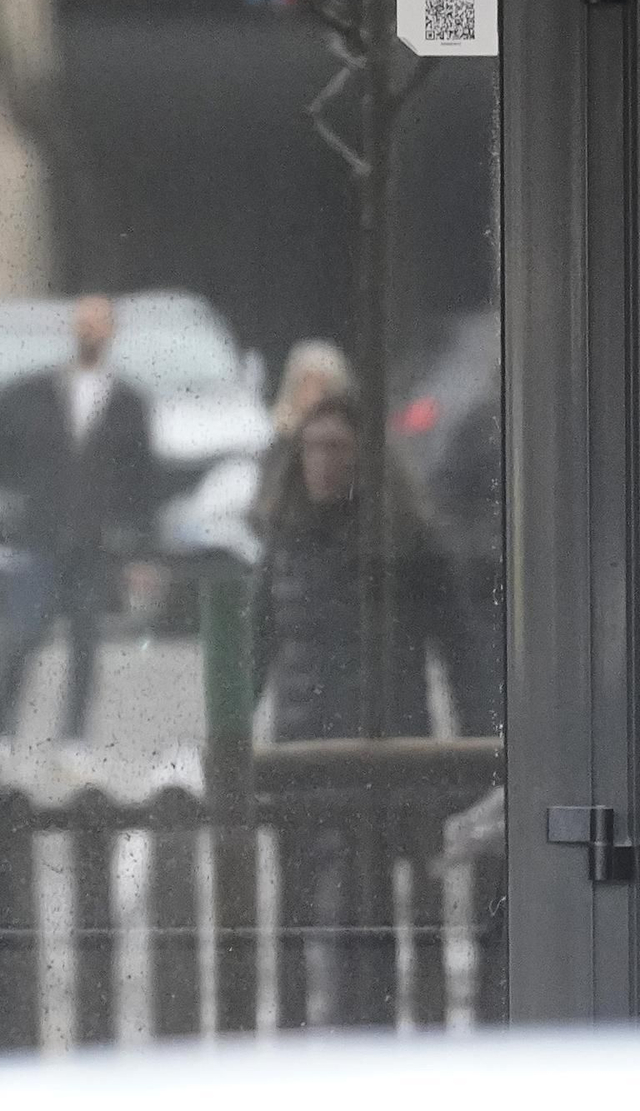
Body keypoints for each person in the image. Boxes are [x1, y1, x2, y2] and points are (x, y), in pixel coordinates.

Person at [248, 393, 482, 1027]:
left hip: (387, 758)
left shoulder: (407, 543)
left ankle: (371, 1045)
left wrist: (476, 755)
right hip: (301, 760)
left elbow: (460, 652)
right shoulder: (285, 539)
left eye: (337, 449)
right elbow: (255, 649)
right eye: (313, 448)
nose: (322, 463)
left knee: (377, 915)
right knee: (312, 922)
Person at [0, 294, 154, 739]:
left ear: (111, 331)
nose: (89, 331)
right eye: (82, 322)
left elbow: (142, 480)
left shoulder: (127, 402)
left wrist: (142, 548)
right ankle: (2, 729)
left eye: (98, 323)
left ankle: (74, 736)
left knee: (85, 641)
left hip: (95, 540)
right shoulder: (36, 395)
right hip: (39, 536)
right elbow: (0, 456)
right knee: (21, 635)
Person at [254, 338, 354, 532]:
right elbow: (266, 509)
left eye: (324, 387)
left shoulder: (355, 441)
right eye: (307, 385)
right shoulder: (280, 447)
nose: (315, 396)